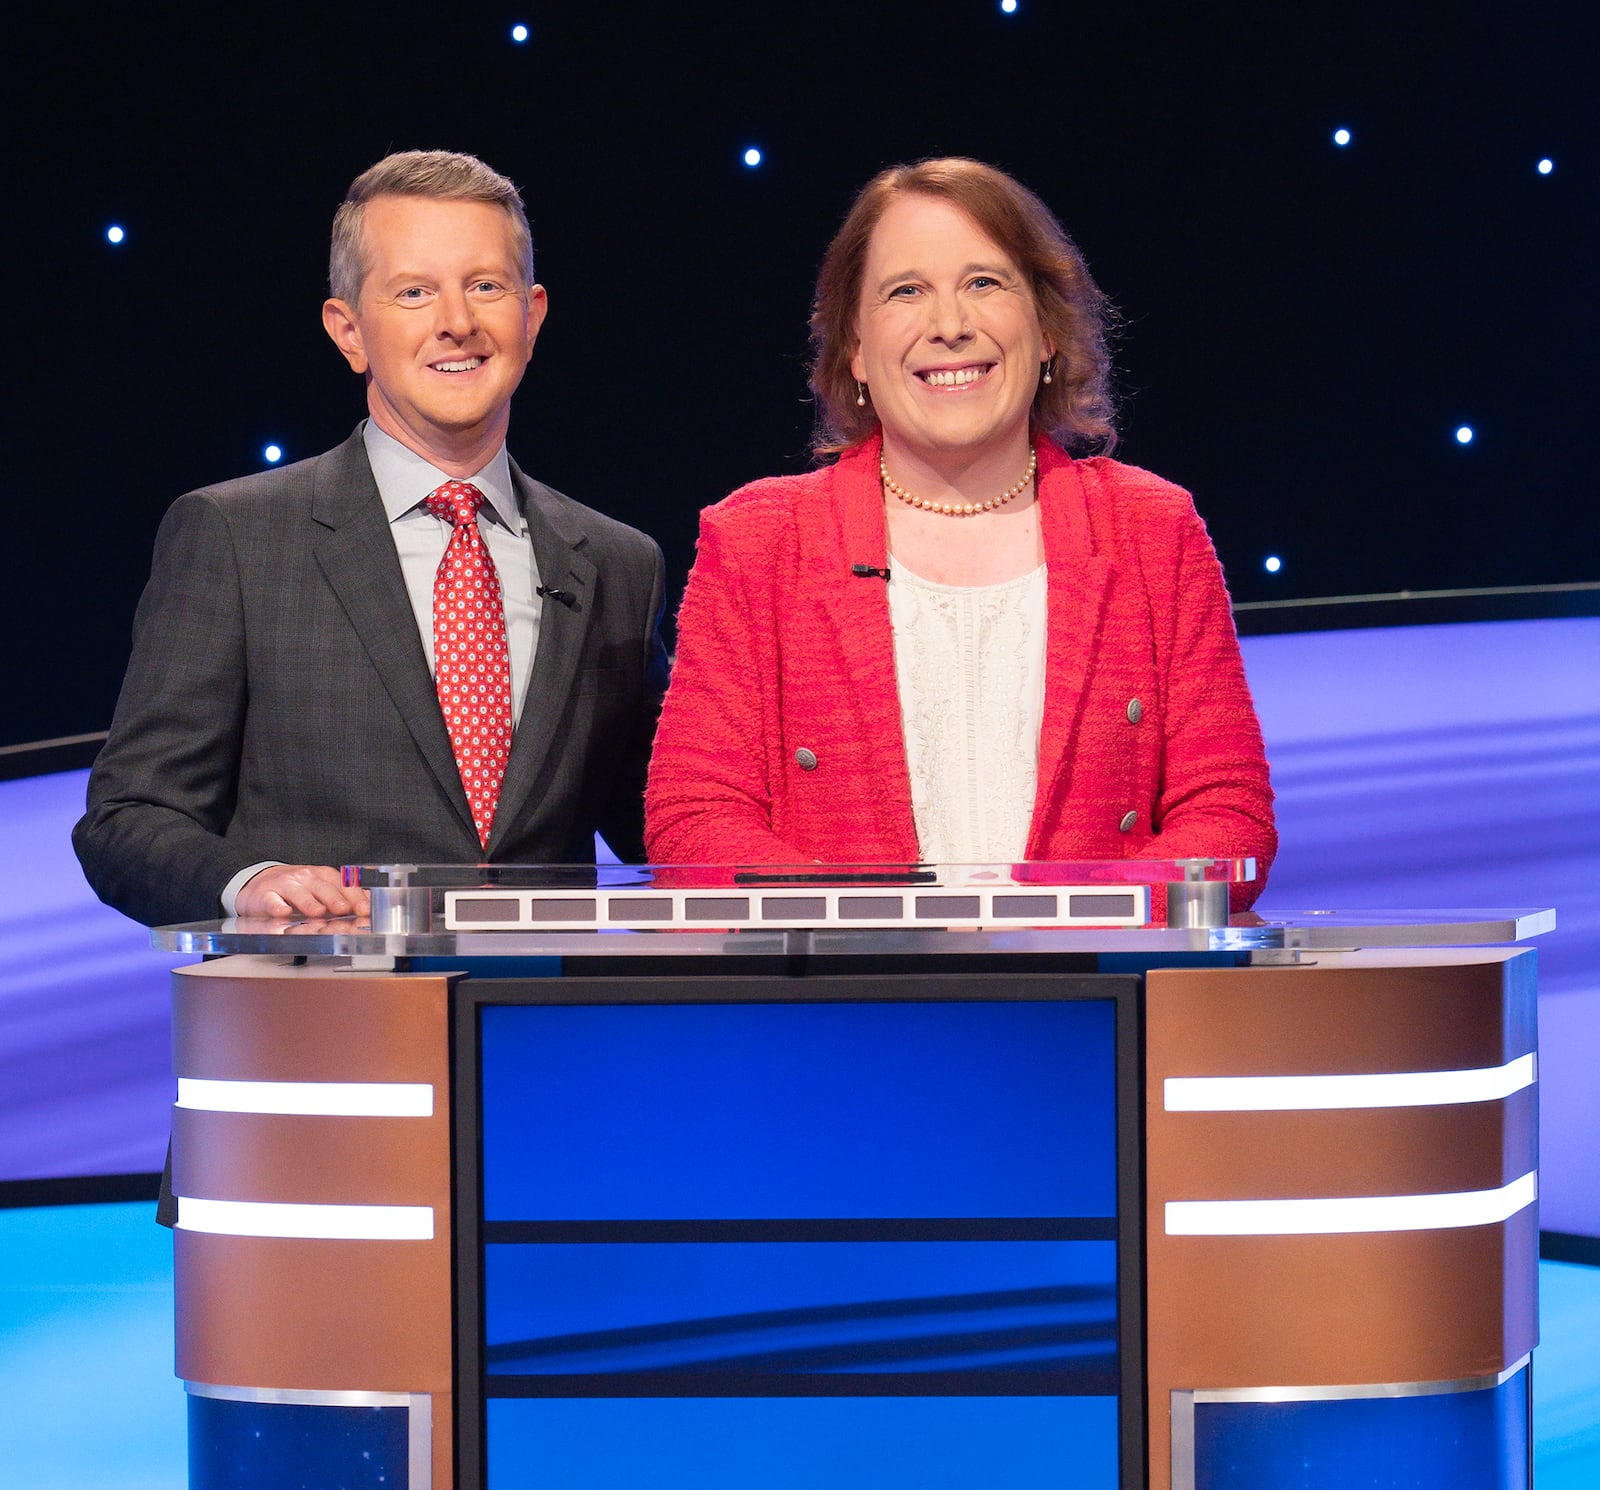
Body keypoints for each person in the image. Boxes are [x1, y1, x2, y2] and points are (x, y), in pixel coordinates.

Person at [645, 158, 1275, 895]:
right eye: (906, 291)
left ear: (1045, 330)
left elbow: (1228, 815)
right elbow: (695, 818)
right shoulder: (758, 540)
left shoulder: (1151, 530)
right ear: (854, 346)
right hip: (844, 1002)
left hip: (1095, 995)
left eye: (984, 283)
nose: (949, 325)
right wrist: (898, 935)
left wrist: (1053, 923)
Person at [75, 150, 666, 927]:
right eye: (414, 292)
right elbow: (127, 817)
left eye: (485, 285)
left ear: (533, 315)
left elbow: (662, 818)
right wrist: (248, 882)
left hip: (538, 1028)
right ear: (348, 332)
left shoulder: (620, 564)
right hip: (321, 1024)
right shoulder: (235, 539)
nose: (457, 321)